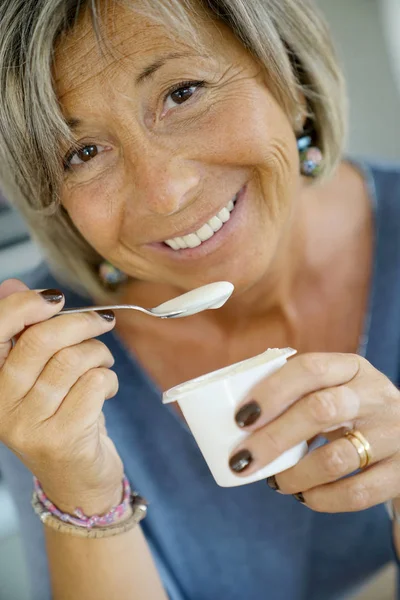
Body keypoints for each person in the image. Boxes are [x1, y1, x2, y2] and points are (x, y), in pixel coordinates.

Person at [0, 0, 400, 598]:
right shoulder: (46, 368)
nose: (165, 193)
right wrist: (82, 497)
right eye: (82, 153)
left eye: (182, 93)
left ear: (287, 73)